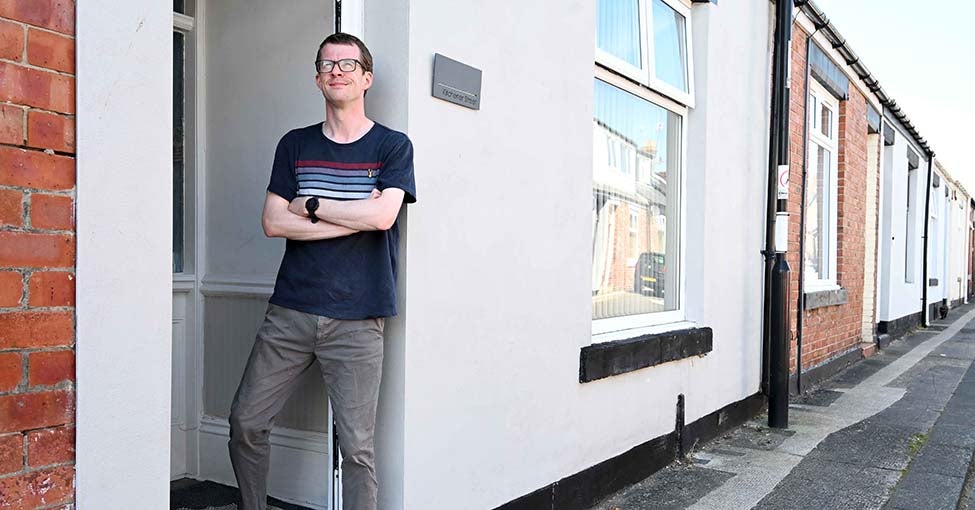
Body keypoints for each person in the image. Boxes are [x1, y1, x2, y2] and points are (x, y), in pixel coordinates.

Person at [228, 32, 416, 510]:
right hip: (290, 312)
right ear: (317, 78)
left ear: (366, 78)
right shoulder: (295, 145)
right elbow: (273, 223)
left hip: (358, 319)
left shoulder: (392, 146)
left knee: (358, 451)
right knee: (246, 422)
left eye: (348, 64)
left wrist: (311, 205)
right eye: (327, 63)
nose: (337, 70)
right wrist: (354, 216)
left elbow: (383, 218)